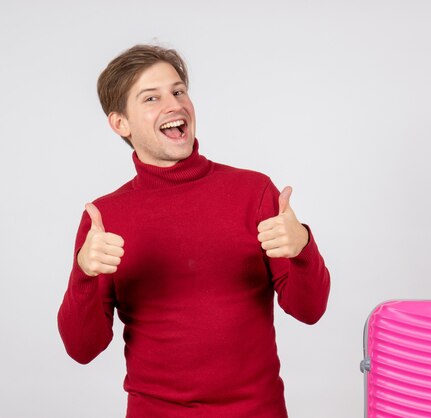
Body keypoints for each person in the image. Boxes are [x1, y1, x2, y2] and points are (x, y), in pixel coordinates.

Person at [57, 44, 331, 418]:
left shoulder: (254, 191)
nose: (174, 105)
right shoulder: (104, 218)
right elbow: (81, 348)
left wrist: (302, 247)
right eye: (151, 98)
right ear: (121, 123)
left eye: (178, 91)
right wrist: (85, 276)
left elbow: (310, 309)